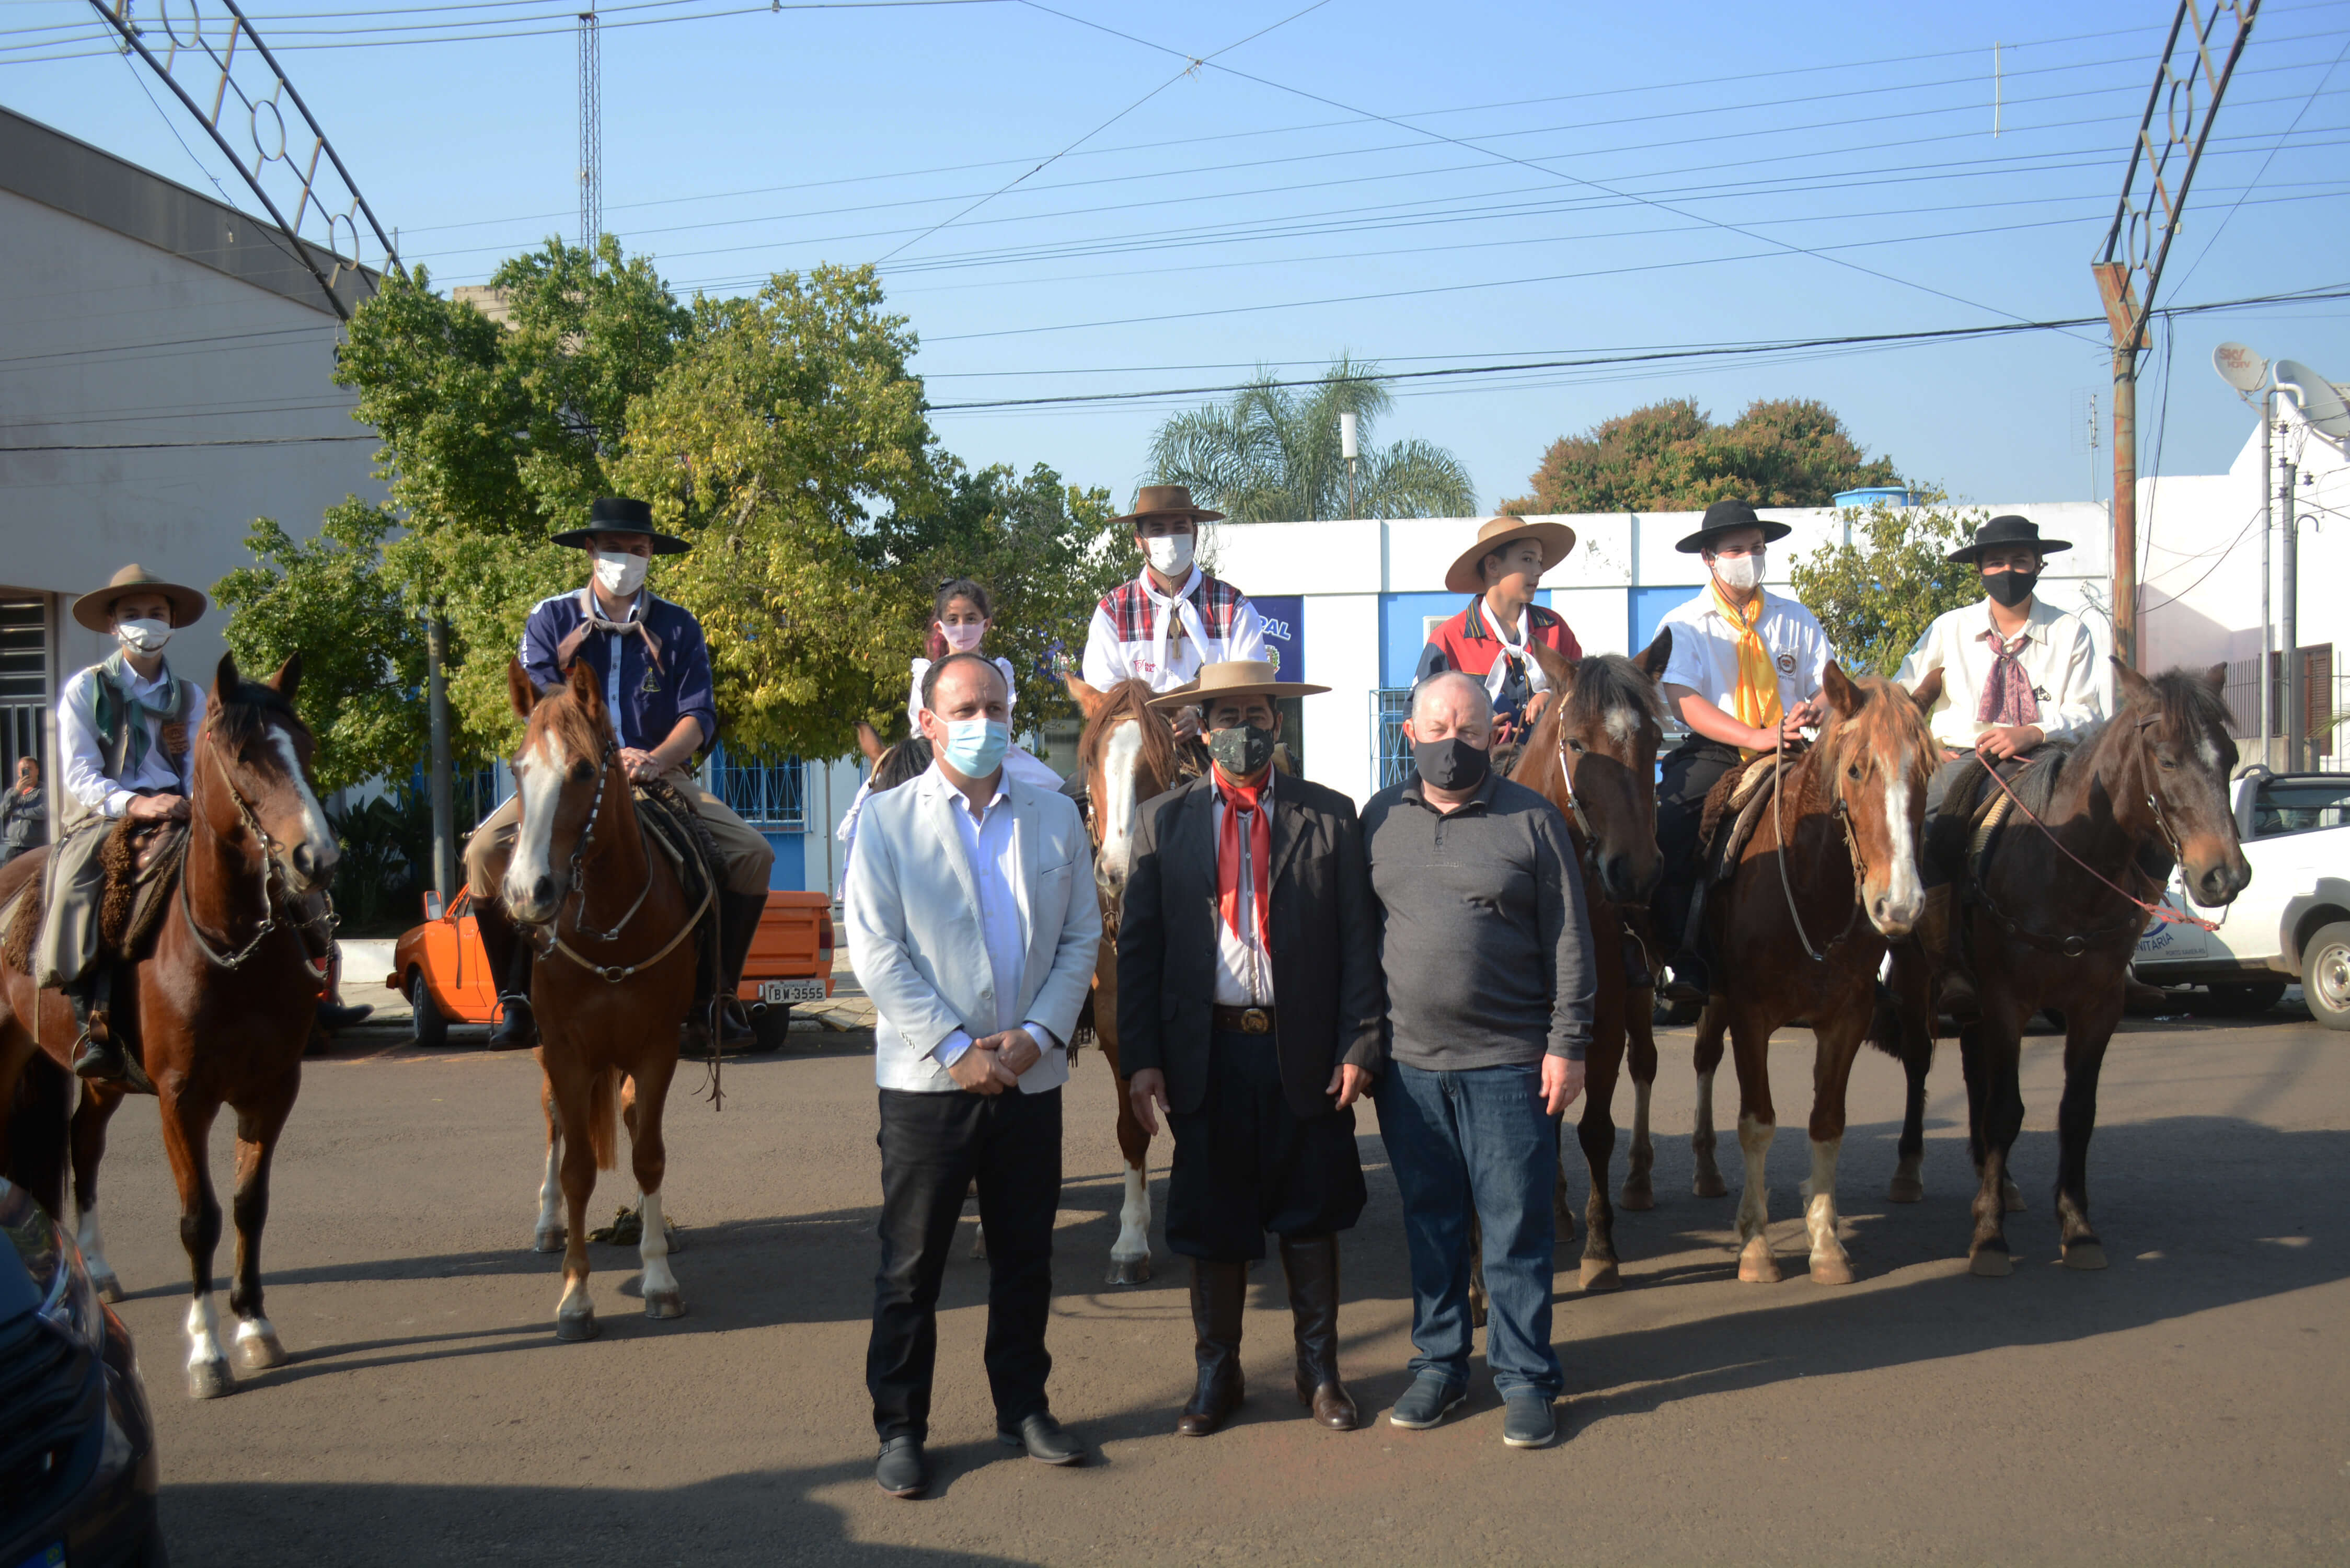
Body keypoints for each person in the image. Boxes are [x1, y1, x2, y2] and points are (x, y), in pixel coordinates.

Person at [845, 652, 1102, 1500]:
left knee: (1026, 1257)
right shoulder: (886, 821)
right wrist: (956, 1048)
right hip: (930, 1084)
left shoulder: (1054, 816)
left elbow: (1081, 937)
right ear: (927, 722)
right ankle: (900, 1428)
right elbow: (875, 950)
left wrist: (1039, 1034)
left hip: (1030, 1075)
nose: (982, 722)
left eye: (995, 706)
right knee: (911, 1266)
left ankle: (1023, 1407)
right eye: (963, 709)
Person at [1117, 659, 1380, 1438]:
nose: (1243, 731)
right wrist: (1141, 1058)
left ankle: (1319, 1371)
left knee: (1310, 1212)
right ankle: (1217, 1374)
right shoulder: (1161, 822)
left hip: (1305, 1048)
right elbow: (1139, 952)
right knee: (1213, 1218)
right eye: (1226, 717)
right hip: (1207, 1052)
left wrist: (1360, 1042)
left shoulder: (1330, 815)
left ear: (1278, 722)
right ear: (1201, 730)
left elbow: (1359, 942)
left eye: (1256, 716)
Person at [1360, 671, 1595, 1450]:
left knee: (1515, 1226)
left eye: (1467, 730)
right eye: (1436, 730)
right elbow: (1358, 942)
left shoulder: (1533, 820)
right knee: (1432, 1225)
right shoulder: (1378, 820)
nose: (1451, 744)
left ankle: (1525, 1377)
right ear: (1409, 735)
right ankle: (1440, 1366)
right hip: (1410, 1070)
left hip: (1510, 1064)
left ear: (1495, 734)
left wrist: (1568, 1044)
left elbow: (1570, 940)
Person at [464, 497, 774, 1051]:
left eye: (638, 549)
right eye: (614, 548)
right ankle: (515, 999)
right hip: (570, 774)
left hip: (657, 774)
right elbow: (542, 707)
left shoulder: (679, 625)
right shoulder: (550, 618)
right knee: (483, 852)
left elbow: (698, 715)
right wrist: (602, 754)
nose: (626, 559)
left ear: (651, 553)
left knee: (753, 854)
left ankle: (716, 996)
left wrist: (655, 758)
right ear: (590, 550)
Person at [1652, 499, 1833, 1001]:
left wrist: (1815, 709)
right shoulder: (1684, 623)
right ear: (1709, 558)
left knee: (1861, 819)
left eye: (1756, 547)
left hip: (1795, 746)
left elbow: (1828, 684)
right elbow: (1683, 699)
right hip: (1719, 751)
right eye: (1736, 550)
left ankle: (1866, 958)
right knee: (1668, 828)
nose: (1749, 558)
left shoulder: (1796, 617)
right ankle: (1680, 956)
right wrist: (1755, 737)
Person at [39, 564, 209, 1083]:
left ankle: (312, 989)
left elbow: (198, 767)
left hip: (181, 808)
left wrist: (190, 802)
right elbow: (80, 774)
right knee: (76, 885)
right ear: (113, 625)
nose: (146, 622)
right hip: (105, 813)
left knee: (263, 862)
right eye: (133, 614)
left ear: (172, 622)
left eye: (156, 613)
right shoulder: (85, 688)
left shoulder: (190, 695)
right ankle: (89, 1025)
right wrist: (136, 805)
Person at [838, 578, 1059, 894]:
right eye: (954, 620)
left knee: (1057, 793)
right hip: (936, 755)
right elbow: (920, 728)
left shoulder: (1000, 669)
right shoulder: (925, 673)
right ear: (940, 627)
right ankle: (862, 882)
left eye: (971, 619)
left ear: (986, 624)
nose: (963, 627)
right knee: (869, 805)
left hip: (995, 752)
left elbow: (1003, 722)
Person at [1895, 513, 2103, 787]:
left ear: (2038, 565)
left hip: (2045, 762)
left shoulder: (2070, 631)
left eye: (2020, 561)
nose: (2008, 571)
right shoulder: (1948, 628)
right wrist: (1919, 747)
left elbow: (2088, 715)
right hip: (1963, 759)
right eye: (1995, 563)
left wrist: (2034, 733)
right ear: (1978, 568)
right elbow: (1896, 698)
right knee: (1919, 810)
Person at [1079, 486, 1270, 743]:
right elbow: (1106, 700)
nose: (1170, 539)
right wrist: (1155, 723)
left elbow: (1250, 690)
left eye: (1180, 528)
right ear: (1139, 539)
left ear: (1195, 532)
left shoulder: (1233, 607)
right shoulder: (1113, 611)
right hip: (1139, 749)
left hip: (1219, 749)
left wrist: (1200, 717)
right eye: (1158, 530)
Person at [1416, 514, 1584, 756]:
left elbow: (1585, 695)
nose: (1539, 571)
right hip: (1473, 772)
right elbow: (1417, 720)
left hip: (1548, 770)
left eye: (1539, 562)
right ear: (1493, 566)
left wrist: (1550, 696)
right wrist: (1472, 731)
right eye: (1528, 559)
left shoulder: (1556, 629)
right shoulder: (1448, 640)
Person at [1, 756, 46, 866]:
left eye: (29, 769)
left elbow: (43, 812)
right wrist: (17, 792)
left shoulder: (44, 791)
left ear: (37, 771)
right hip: (15, 847)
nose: (26, 773)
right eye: (23, 770)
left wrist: (17, 811)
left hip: (36, 847)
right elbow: (3, 812)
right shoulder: (12, 792)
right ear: (18, 773)